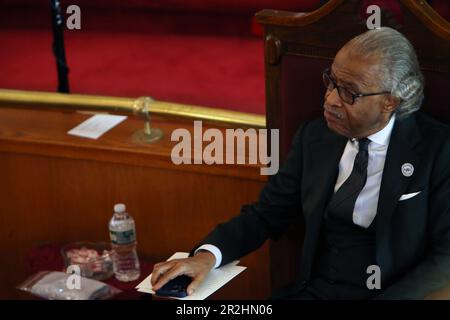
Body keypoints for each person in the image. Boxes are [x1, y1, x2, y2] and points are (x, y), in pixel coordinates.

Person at [151, 27, 450, 299]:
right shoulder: (316, 137)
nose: (331, 99)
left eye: (349, 93)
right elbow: (266, 213)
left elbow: (445, 256)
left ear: (390, 103)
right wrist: (207, 256)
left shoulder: (438, 150)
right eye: (331, 82)